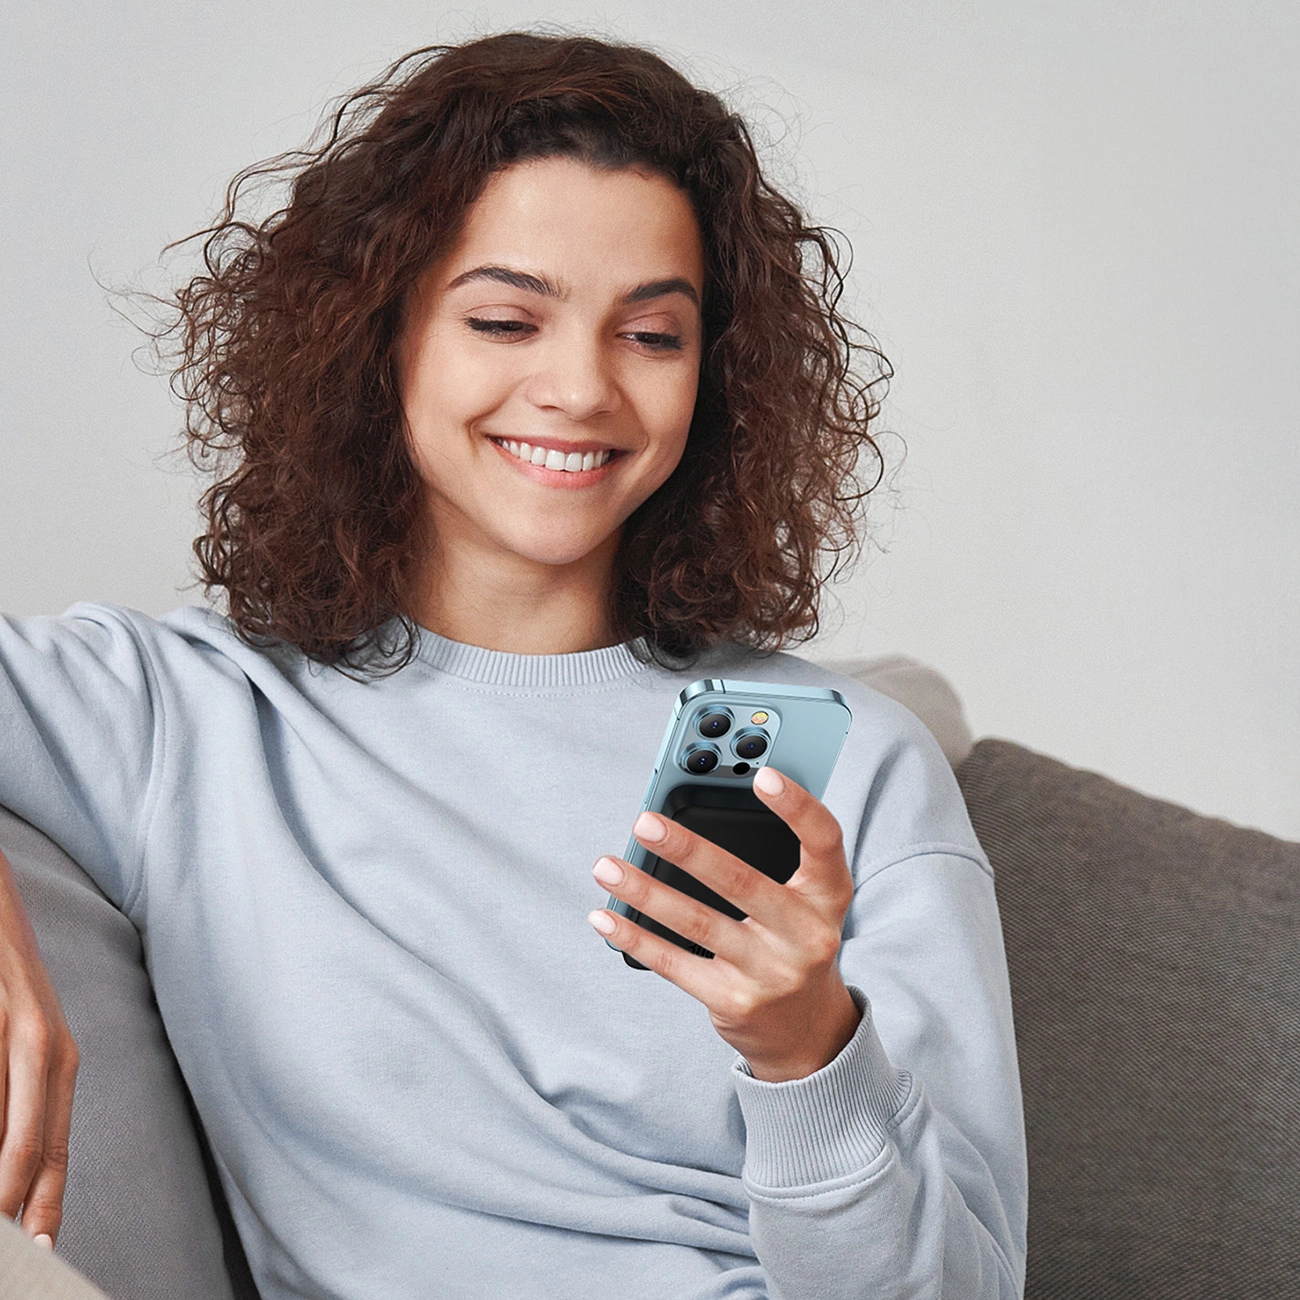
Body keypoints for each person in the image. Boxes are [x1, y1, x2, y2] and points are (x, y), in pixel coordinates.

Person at [0, 31, 1027, 1300]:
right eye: (505, 318)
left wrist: (804, 1049)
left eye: (651, 335)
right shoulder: (185, 715)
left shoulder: (853, 757)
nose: (581, 387)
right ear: (377, 336)